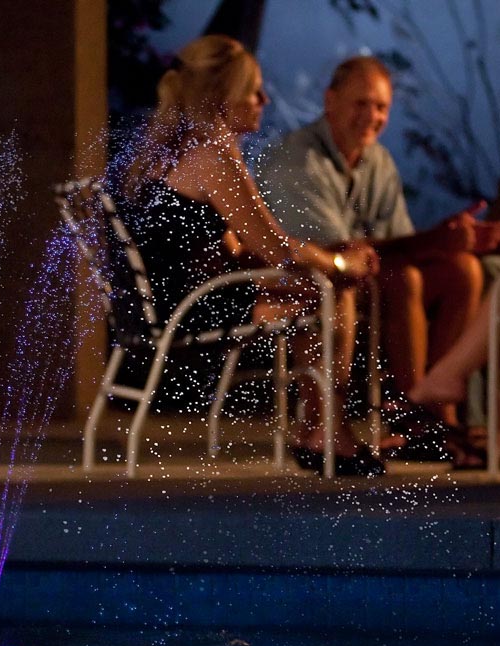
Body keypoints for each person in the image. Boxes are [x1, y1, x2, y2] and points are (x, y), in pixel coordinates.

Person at [120, 34, 382, 476]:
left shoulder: (179, 148)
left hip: (169, 301)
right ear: (224, 97)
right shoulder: (212, 156)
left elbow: (236, 245)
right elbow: (276, 247)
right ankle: (324, 430)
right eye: (253, 89)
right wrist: (340, 263)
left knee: (318, 287)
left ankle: (320, 428)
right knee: (332, 289)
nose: (264, 99)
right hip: (188, 309)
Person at [258, 56, 500, 455]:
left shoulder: (379, 162)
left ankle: (436, 415)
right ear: (330, 101)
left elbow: (396, 242)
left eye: (382, 107)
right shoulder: (299, 159)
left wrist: (457, 241)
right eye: (361, 104)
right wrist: (436, 239)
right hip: (307, 281)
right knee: (407, 277)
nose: (372, 116)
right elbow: (337, 252)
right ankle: (413, 419)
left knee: (463, 270)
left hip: (362, 279)